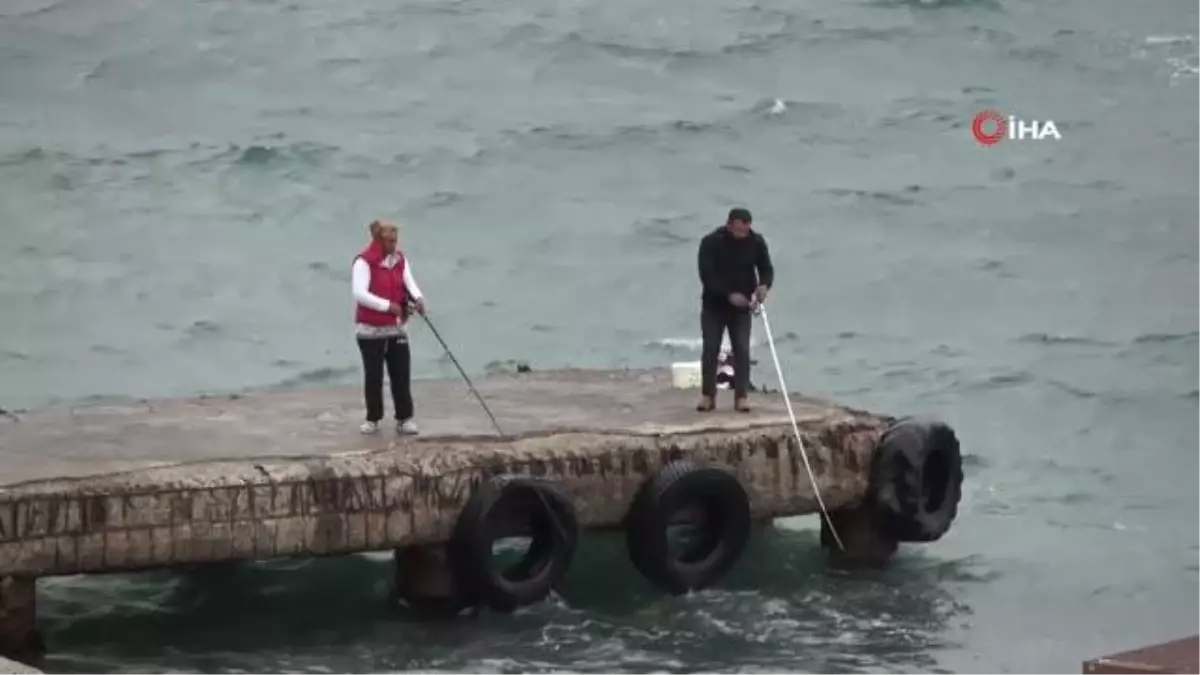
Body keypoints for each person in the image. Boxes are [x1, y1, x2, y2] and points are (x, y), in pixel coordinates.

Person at [351, 219, 427, 435]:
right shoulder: (363, 263)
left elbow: (409, 282)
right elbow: (360, 293)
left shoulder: (399, 260)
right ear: (379, 241)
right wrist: (388, 306)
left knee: (401, 374)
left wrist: (418, 298)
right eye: (390, 241)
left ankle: (405, 418)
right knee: (374, 376)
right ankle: (372, 419)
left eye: (396, 241)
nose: (394, 245)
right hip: (370, 331)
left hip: (396, 328)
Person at [696, 207, 773, 412]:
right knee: (711, 349)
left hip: (742, 308)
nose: (741, 235)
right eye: (737, 230)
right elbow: (707, 276)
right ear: (729, 225)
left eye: (745, 231)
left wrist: (764, 286)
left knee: (742, 349)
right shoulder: (711, 242)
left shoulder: (756, 242)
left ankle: (741, 396)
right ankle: (707, 395)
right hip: (714, 305)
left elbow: (766, 269)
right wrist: (729, 295)